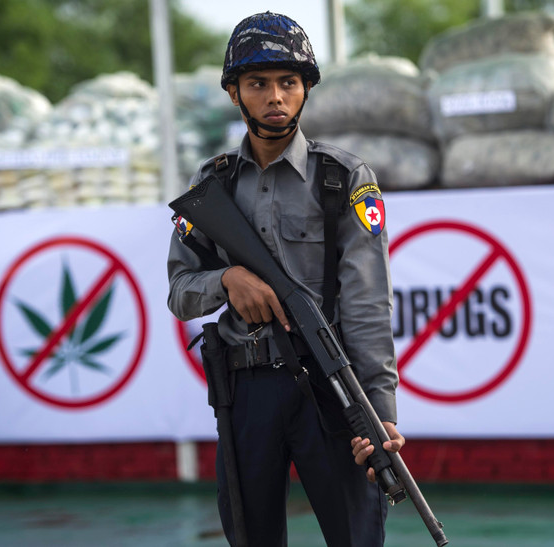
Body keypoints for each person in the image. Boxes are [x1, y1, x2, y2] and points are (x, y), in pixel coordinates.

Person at [167, 11, 403, 546]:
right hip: (246, 389)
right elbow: (180, 292)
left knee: (356, 535)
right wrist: (227, 281)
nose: (275, 96)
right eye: (258, 83)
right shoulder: (212, 185)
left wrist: (379, 411)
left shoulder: (343, 179)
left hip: (331, 386)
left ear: (306, 89)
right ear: (234, 93)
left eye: (288, 82)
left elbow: (368, 303)